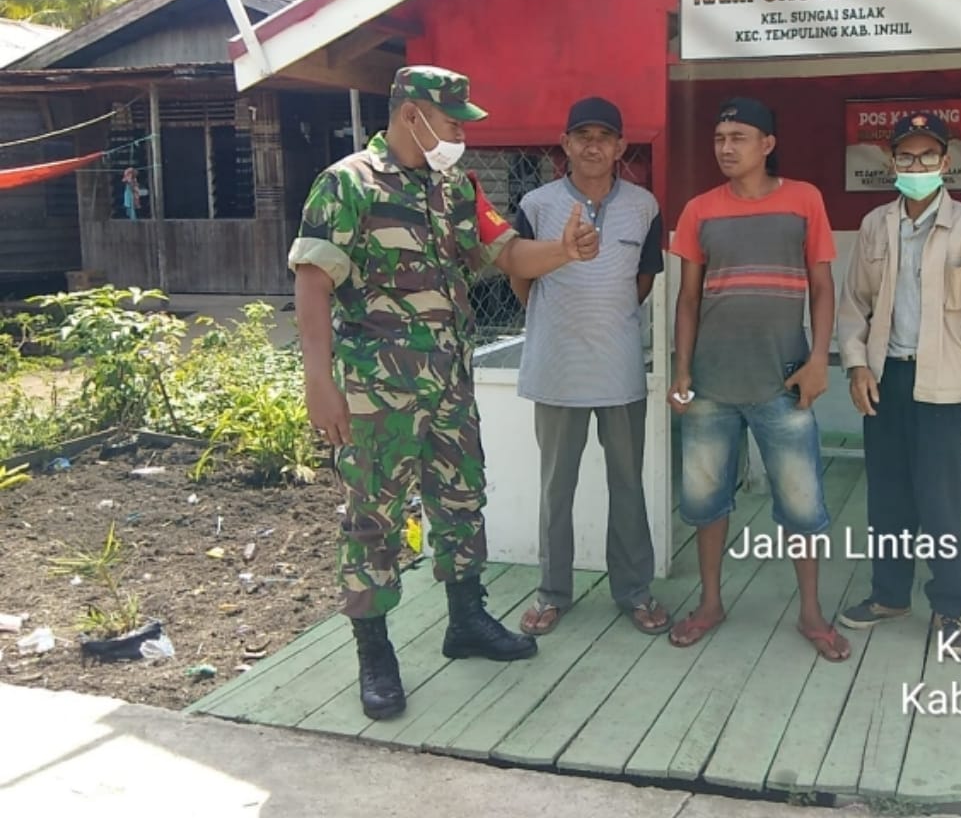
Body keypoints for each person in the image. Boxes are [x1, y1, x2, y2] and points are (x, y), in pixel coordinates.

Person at [289, 65, 601, 721]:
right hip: (376, 392)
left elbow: (507, 255)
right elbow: (313, 281)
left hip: (448, 384)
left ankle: (466, 621)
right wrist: (319, 381)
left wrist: (565, 253)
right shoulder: (347, 183)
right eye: (453, 122)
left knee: (461, 498)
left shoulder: (453, 187)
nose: (460, 134)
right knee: (372, 517)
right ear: (412, 115)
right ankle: (375, 654)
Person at [667, 96, 850, 662]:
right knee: (705, 502)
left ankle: (811, 613)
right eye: (720, 138)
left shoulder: (804, 200)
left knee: (801, 504)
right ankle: (711, 603)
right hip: (711, 385)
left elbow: (822, 286)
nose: (726, 147)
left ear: (767, 144)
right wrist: (680, 370)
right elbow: (689, 298)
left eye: (739, 137)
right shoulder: (699, 210)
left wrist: (820, 359)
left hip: (785, 382)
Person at [835, 111, 961, 659]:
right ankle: (889, 596)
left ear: (945, 162)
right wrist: (857, 365)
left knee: (939, 502)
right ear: (890, 163)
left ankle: (948, 605)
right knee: (887, 497)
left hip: (945, 387)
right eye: (905, 156)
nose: (916, 165)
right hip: (887, 378)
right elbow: (854, 303)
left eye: (927, 156)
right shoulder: (875, 226)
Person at [509, 96, 670, 637]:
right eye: (583, 135)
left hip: (619, 369)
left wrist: (609, 316)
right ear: (566, 143)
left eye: (605, 136)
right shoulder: (536, 203)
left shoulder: (645, 205)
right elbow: (519, 277)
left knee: (628, 483)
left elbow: (642, 282)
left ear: (622, 146)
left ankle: (635, 592)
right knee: (557, 487)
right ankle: (552, 593)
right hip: (556, 368)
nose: (594, 145)